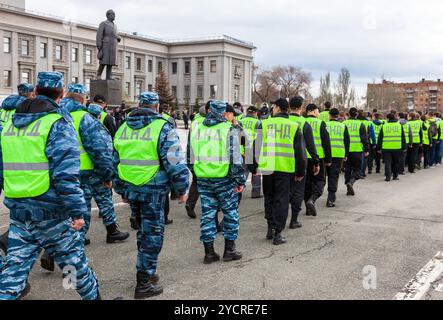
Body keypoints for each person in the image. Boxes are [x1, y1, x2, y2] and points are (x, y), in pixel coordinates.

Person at [0, 71, 100, 300]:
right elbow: (65, 174)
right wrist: (77, 211)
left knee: (14, 270)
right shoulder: (57, 123)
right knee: (73, 265)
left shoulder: (10, 124)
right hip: (51, 212)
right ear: (62, 93)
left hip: (19, 209)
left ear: (35, 92)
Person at [114, 92, 190, 299]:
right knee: (152, 234)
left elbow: (115, 160)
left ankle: (148, 269)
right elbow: (174, 162)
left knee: (143, 231)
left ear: (140, 105)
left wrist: (120, 189)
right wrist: (181, 189)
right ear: (156, 106)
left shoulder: (123, 128)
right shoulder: (162, 127)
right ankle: (144, 282)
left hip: (132, 188)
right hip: (154, 189)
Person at [190, 100, 245, 263]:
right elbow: (235, 158)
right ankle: (229, 250)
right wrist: (239, 180)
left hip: (204, 178)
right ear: (224, 113)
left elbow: (189, 156)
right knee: (230, 213)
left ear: (208, 111)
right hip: (224, 179)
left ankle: (209, 253)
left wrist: (197, 173)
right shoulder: (228, 129)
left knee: (208, 213)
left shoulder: (197, 128)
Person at [257, 98, 306, 245]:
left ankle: (269, 228)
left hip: (267, 168)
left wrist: (254, 167)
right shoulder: (294, 126)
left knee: (269, 197)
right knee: (281, 200)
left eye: (273, 107)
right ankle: (278, 233)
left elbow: (255, 146)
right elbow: (300, 153)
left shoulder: (264, 124)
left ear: (277, 108)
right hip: (285, 169)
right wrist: (300, 172)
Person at [288, 96, 319, 229]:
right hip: (300, 161)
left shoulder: (283, 120)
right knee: (298, 191)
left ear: (289, 106)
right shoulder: (304, 123)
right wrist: (316, 161)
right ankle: (294, 219)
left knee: (283, 191)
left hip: (282, 161)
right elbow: (310, 146)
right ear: (301, 107)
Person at [303, 104, 331, 216]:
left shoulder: (302, 122)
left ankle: (307, 208)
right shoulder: (321, 123)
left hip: (304, 157)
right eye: (318, 111)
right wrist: (328, 159)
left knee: (307, 183)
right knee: (320, 181)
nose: (319, 113)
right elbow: (326, 143)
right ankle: (312, 200)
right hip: (318, 157)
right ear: (314, 111)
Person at [326, 108, 350, 208]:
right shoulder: (343, 126)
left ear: (329, 115)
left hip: (326, 154)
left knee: (323, 177)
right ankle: (330, 199)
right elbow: (347, 141)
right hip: (339, 154)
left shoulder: (325, 125)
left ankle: (313, 197)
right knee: (333, 177)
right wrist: (346, 155)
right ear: (338, 116)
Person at [344, 108, 369, 196]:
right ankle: (351, 182)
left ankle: (348, 186)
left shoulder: (344, 123)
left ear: (348, 114)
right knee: (357, 170)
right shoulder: (360, 124)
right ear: (357, 114)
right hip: (357, 150)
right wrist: (367, 150)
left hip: (346, 151)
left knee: (347, 169)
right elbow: (364, 138)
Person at [377, 113, 406, 182]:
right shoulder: (399, 126)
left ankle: (388, 177)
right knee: (395, 162)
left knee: (387, 162)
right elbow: (403, 137)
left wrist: (378, 148)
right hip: (397, 147)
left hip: (386, 148)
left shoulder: (384, 126)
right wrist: (404, 147)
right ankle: (395, 176)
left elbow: (380, 138)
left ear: (387, 119)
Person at [241, 106, 262, 199]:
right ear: (255, 113)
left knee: (243, 171)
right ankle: (256, 192)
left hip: (241, 150)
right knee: (256, 171)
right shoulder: (257, 122)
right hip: (252, 150)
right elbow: (259, 139)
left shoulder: (240, 121)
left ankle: (238, 188)